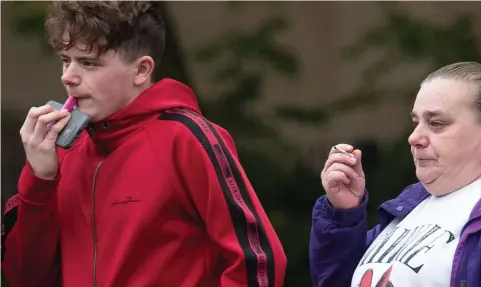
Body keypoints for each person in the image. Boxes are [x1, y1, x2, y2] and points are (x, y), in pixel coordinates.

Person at [2, 2, 287, 287]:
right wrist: (39, 181)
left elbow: (257, 261)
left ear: (141, 70)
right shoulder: (64, 152)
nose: (68, 77)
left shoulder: (186, 138)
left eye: (88, 63)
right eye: (66, 60)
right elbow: (28, 278)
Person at [309, 61, 481, 287]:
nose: (414, 137)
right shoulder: (408, 208)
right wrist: (343, 215)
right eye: (416, 122)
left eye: (436, 123)